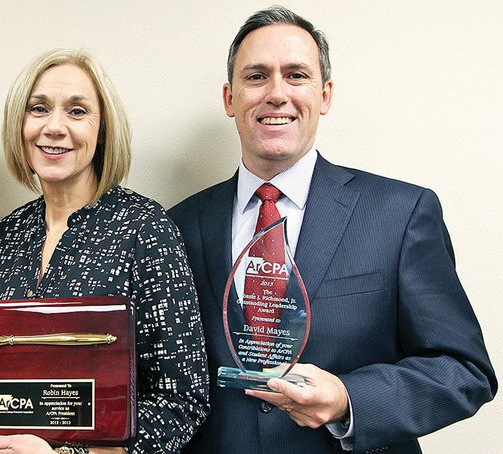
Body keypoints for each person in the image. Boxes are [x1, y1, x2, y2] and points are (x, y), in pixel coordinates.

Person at [168, 6, 496, 453]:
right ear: (230, 98)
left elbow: (464, 370)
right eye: (257, 76)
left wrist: (348, 399)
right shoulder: (178, 225)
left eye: (296, 75)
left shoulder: (401, 213)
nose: (277, 94)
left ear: (325, 95)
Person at [0, 49, 209, 454]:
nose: (54, 127)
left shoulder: (145, 227)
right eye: (38, 109)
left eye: (77, 111)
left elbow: (182, 401)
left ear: (102, 130)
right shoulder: (10, 232)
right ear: (20, 124)